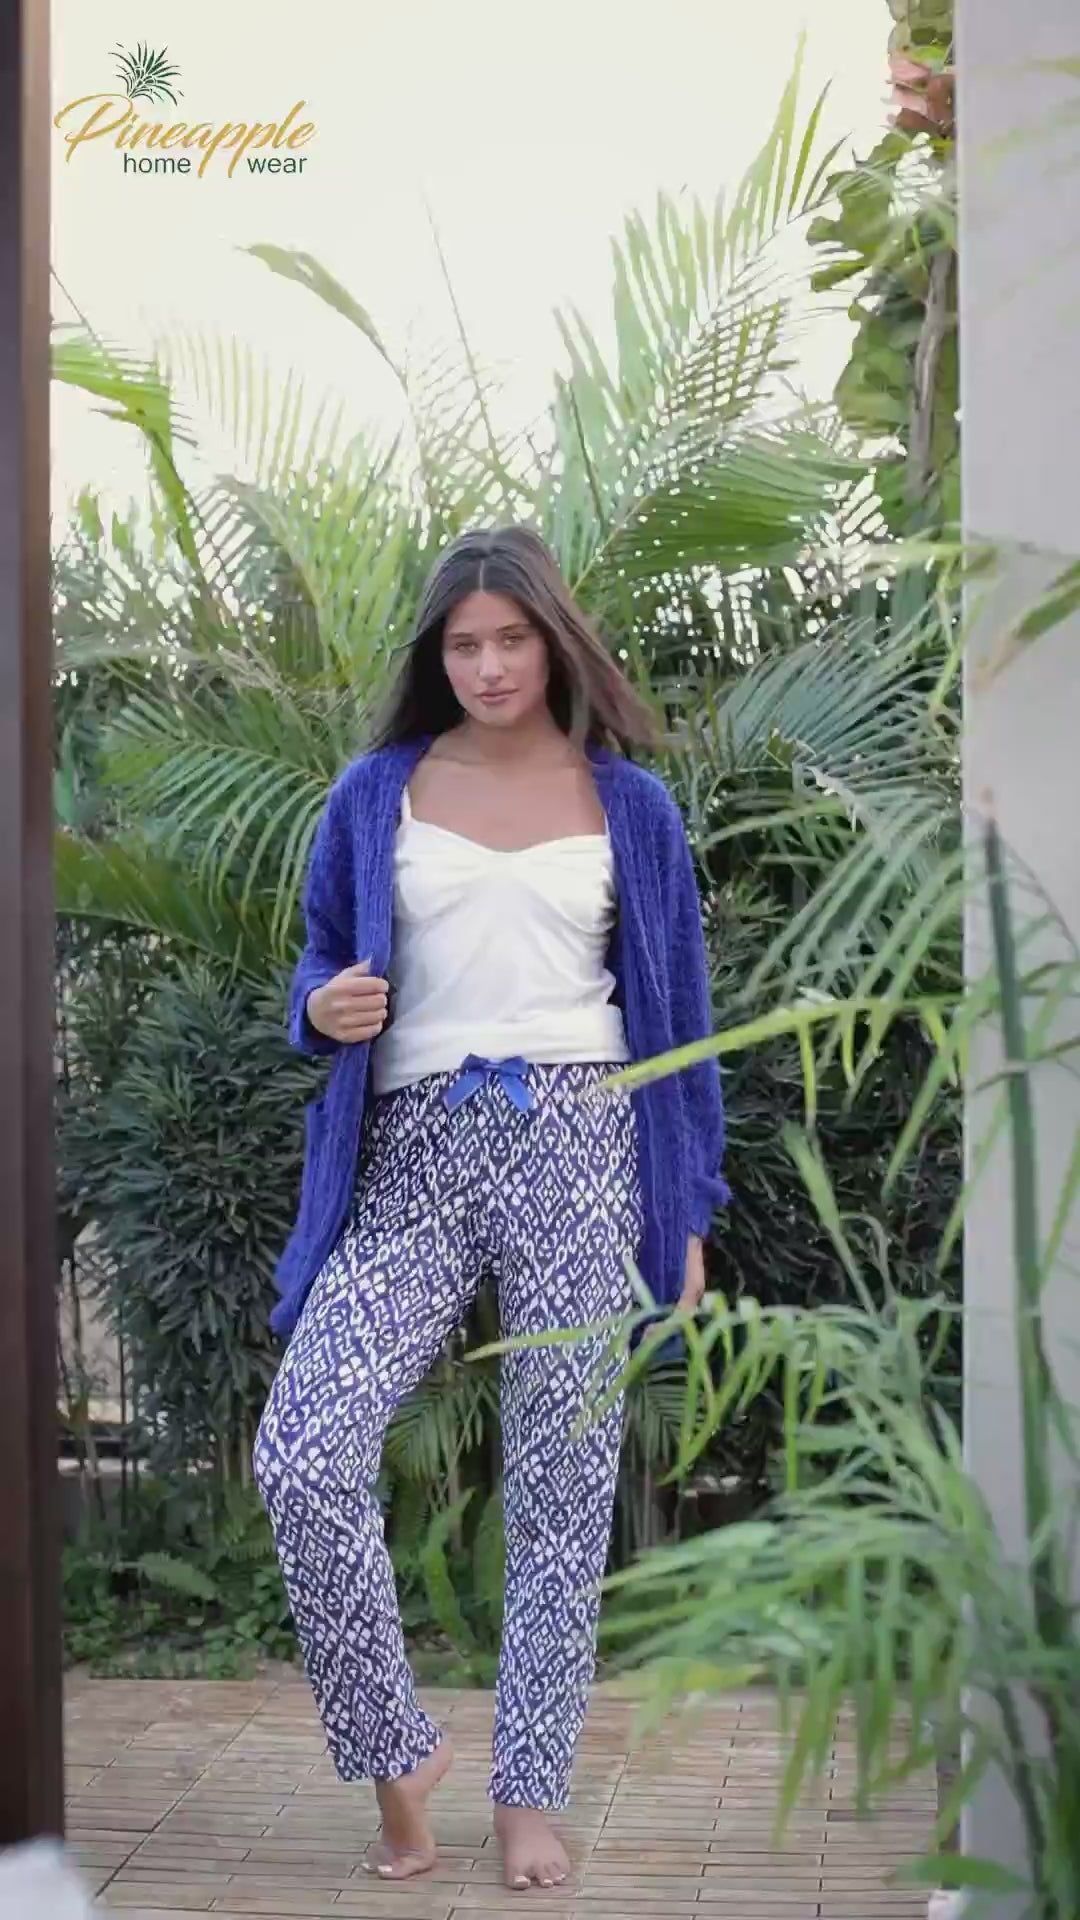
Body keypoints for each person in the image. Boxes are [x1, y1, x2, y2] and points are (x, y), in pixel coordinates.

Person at [253, 524, 729, 1893]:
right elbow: (322, 968)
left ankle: (533, 1794)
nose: (488, 664)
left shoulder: (629, 805)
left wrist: (682, 1209)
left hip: (584, 1144)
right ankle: (397, 1751)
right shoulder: (377, 791)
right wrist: (316, 1009)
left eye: (511, 638)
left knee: (566, 1484)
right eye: (463, 643)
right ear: (435, 656)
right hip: (409, 1146)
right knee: (304, 1449)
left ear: (554, 641)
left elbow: (680, 1022)